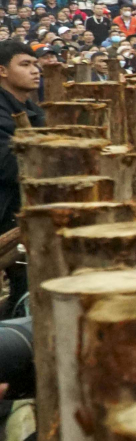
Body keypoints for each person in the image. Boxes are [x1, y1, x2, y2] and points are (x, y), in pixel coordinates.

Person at [0, 40, 45, 313]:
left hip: (26, 208)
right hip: (8, 211)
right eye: (25, 64)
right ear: (2, 71)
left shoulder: (31, 109)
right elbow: (9, 166)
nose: (35, 70)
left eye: (36, 64)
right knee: (27, 288)